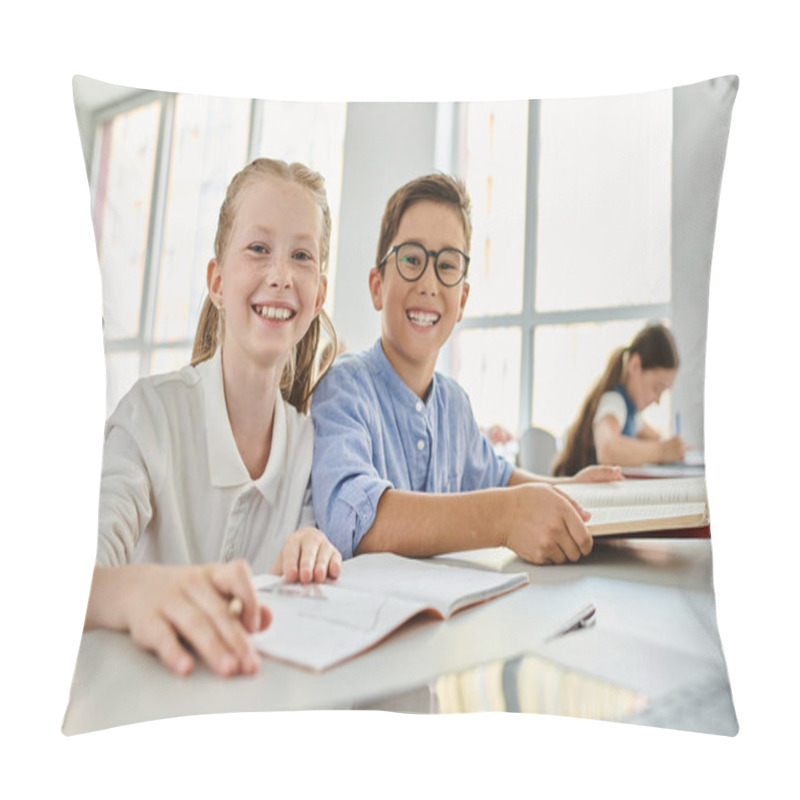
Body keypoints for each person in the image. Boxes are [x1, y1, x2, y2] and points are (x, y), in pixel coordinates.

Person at [85, 158, 342, 678]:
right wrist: (138, 589)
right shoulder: (148, 416)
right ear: (218, 283)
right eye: (258, 249)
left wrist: (312, 548)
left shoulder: (312, 445)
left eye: (301, 255)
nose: (280, 275)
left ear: (319, 296)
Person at [311, 173, 620, 567]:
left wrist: (567, 490)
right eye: (411, 259)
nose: (428, 283)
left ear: (462, 301)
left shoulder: (455, 405)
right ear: (377, 286)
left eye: (447, 265)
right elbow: (352, 521)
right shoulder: (344, 387)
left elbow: (501, 478)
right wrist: (504, 517)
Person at [553, 323, 686, 477]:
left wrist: (672, 447)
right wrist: (662, 451)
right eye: (657, 389)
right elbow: (608, 450)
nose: (657, 401)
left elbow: (655, 438)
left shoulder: (633, 415)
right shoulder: (614, 403)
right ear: (635, 365)